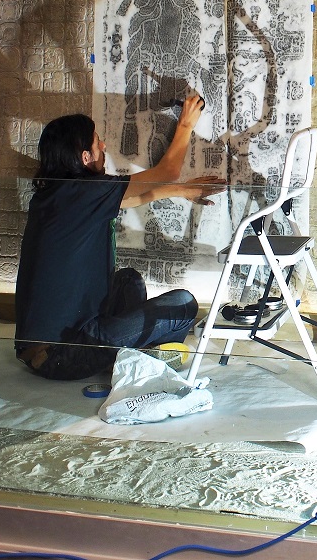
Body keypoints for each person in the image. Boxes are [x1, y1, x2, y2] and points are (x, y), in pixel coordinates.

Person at [15, 93, 224, 380]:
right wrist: (186, 124)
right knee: (184, 304)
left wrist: (181, 190)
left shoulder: (56, 196)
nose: (104, 145)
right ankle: (133, 358)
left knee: (128, 280)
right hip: (63, 356)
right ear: (85, 157)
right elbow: (166, 172)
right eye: (97, 142)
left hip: (38, 351)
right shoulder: (85, 192)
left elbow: (132, 200)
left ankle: (127, 353)